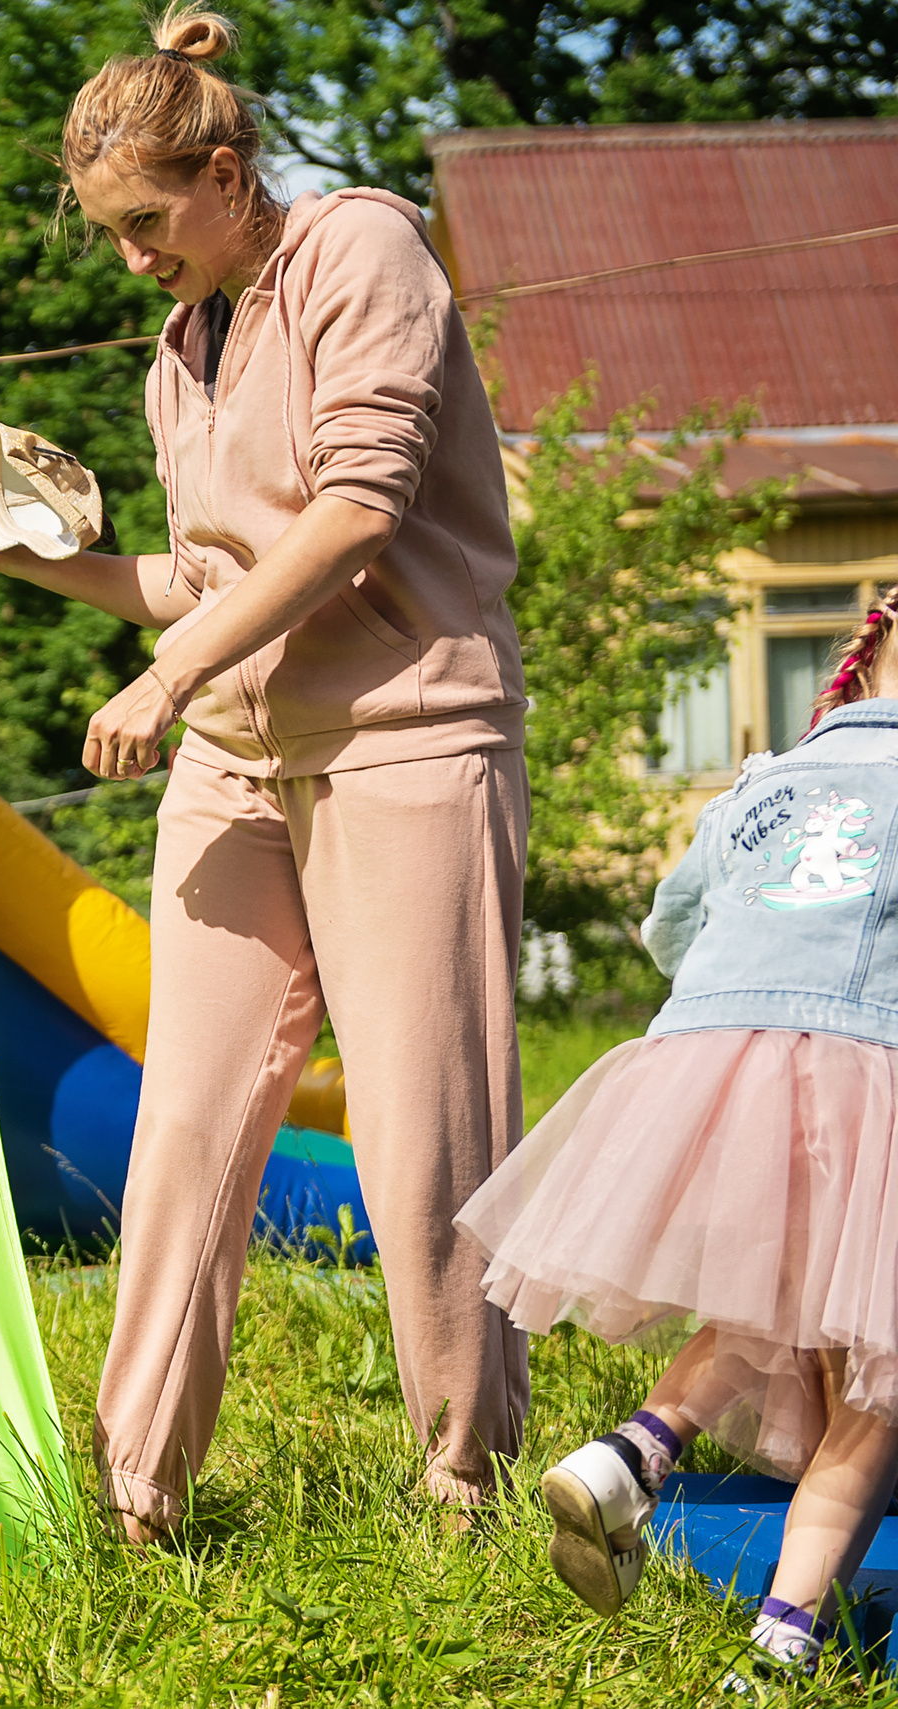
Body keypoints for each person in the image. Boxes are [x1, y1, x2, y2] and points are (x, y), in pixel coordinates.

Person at [0, 6, 531, 1539]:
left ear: (223, 172)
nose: (135, 258)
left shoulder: (360, 251)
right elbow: (196, 578)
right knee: (183, 1130)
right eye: (113, 235)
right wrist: (30, 565)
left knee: (420, 1137)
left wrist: (172, 670)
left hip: (407, 736)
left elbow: (356, 515)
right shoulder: (173, 352)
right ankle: (135, 1494)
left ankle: (465, 1482)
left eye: (149, 222)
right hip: (236, 765)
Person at [459, 590, 898, 1681]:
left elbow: (671, 924)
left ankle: (633, 1450)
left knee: (777, 1305)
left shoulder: (759, 779)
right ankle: (784, 1642)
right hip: (867, 1065)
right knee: (879, 1373)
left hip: (719, 1062)